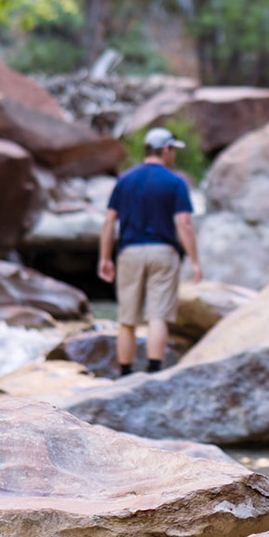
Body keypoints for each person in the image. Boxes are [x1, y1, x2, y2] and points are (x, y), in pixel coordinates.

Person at [97, 126, 202, 376]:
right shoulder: (175, 181)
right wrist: (195, 261)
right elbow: (184, 224)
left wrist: (104, 257)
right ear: (165, 149)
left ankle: (125, 373)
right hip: (163, 252)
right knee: (158, 315)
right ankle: (154, 372)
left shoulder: (124, 180)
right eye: (173, 150)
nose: (173, 155)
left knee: (127, 319)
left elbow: (109, 221)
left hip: (129, 252)